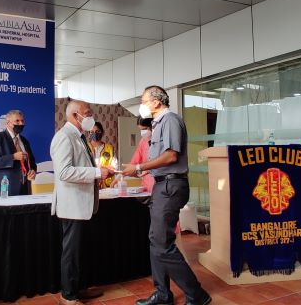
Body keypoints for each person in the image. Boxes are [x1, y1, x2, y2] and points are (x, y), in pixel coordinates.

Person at [123, 86, 211, 305]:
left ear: (156, 102)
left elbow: (171, 156)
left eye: (143, 101)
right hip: (161, 185)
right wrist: (140, 168)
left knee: (163, 243)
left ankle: (197, 294)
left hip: (171, 186)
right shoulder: (157, 123)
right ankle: (162, 293)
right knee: (156, 240)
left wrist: (140, 167)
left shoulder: (171, 120)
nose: (141, 105)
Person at [51, 100, 114, 305]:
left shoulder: (79, 136)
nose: (91, 117)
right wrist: (97, 172)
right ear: (75, 115)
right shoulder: (64, 137)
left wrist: (99, 175)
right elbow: (64, 172)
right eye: (87, 113)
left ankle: (78, 288)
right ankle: (68, 296)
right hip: (72, 206)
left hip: (83, 204)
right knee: (71, 252)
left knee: (80, 250)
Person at [0, 109, 37, 196]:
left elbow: (31, 162)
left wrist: (32, 171)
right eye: (17, 121)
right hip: (3, 190)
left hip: (24, 190)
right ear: (8, 123)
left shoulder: (24, 141)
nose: (21, 123)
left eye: (22, 121)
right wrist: (13, 157)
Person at [88, 122, 118, 189]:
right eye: (92, 132)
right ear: (89, 133)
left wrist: (102, 170)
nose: (95, 134)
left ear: (102, 132)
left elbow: (114, 168)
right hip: (90, 186)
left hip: (106, 187)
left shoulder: (110, 148)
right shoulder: (85, 147)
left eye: (97, 131)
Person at [130, 117, 155, 193]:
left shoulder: (160, 140)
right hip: (146, 186)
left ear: (152, 126)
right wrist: (121, 175)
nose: (142, 132)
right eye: (141, 129)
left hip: (159, 184)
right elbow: (133, 164)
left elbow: (166, 161)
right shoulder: (143, 141)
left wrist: (148, 169)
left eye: (144, 129)